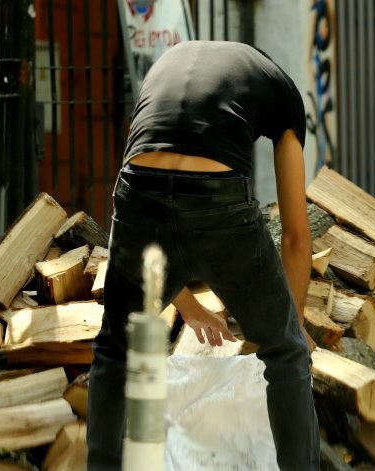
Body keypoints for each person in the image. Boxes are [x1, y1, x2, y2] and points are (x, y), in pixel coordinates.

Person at [87, 40, 320, 470]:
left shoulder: (166, 66)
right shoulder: (283, 90)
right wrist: (293, 323)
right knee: (286, 355)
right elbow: (296, 237)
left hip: (138, 190)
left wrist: (186, 304)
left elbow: (152, 197)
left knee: (115, 348)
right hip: (218, 202)